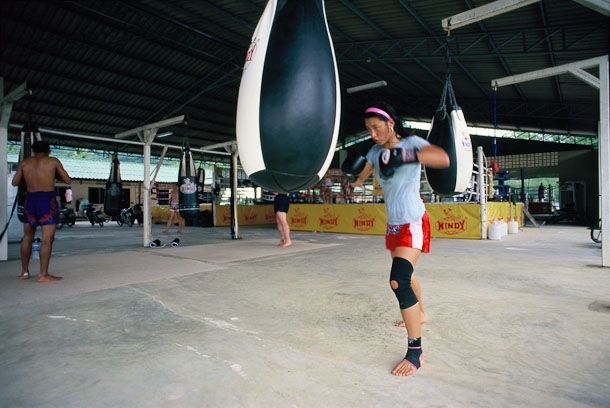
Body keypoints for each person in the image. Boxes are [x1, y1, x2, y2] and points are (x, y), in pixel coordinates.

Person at [349, 102, 449, 377]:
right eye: (368, 129)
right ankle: (422, 314)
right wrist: (355, 181)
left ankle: (416, 353)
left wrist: (408, 155)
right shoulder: (375, 150)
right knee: (407, 273)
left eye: (377, 127)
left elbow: (443, 159)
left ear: (391, 123)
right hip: (393, 225)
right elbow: (368, 168)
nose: (373, 134)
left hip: (413, 221)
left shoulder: (412, 143)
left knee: (398, 280)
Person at [11, 140, 72, 282]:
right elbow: (67, 180)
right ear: (48, 151)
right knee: (47, 239)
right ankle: (43, 274)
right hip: (47, 200)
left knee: (27, 237)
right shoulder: (53, 161)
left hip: (30, 199)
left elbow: (14, 182)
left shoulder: (25, 163)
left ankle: (24, 272)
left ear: (33, 151)